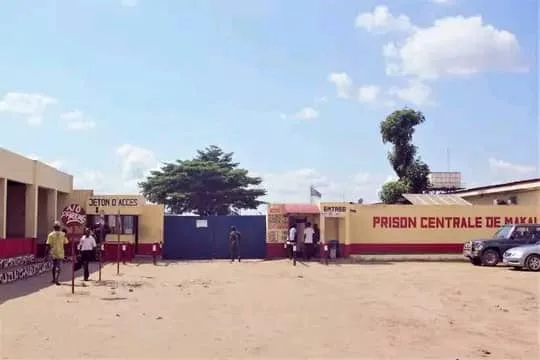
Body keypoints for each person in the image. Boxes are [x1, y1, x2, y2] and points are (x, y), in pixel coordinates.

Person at [46, 221, 69, 285]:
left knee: (53, 266)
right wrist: (66, 253)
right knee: (59, 267)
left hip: (53, 252)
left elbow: (48, 245)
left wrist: (46, 254)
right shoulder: (63, 234)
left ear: (53, 227)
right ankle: (57, 279)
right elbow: (66, 243)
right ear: (59, 227)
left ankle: (53, 279)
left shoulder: (50, 235)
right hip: (60, 252)